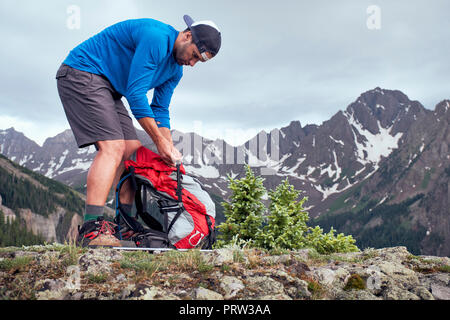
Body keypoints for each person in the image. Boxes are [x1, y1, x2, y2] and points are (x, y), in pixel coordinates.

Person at [55, 15, 222, 247]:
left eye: (198, 62)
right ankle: (91, 229)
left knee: (133, 154)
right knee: (113, 148)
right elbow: (136, 93)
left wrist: (168, 148)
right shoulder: (156, 38)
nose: (192, 63)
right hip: (81, 72)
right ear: (187, 35)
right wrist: (158, 141)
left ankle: (124, 225)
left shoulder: (176, 70)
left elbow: (160, 109)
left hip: (109, 87)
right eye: (194, 55)